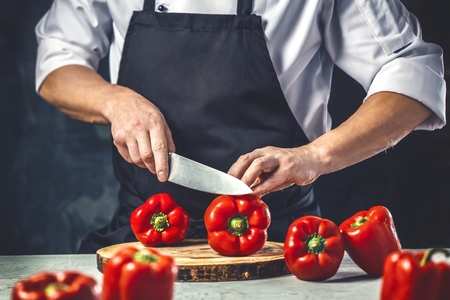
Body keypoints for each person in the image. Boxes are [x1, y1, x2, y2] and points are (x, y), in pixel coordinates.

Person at [35, 0, 446, 253]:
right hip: (141, 237)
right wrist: (114, 100)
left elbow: (410, 67)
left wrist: (315, 156)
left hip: (282, 240)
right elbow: (57, 60)